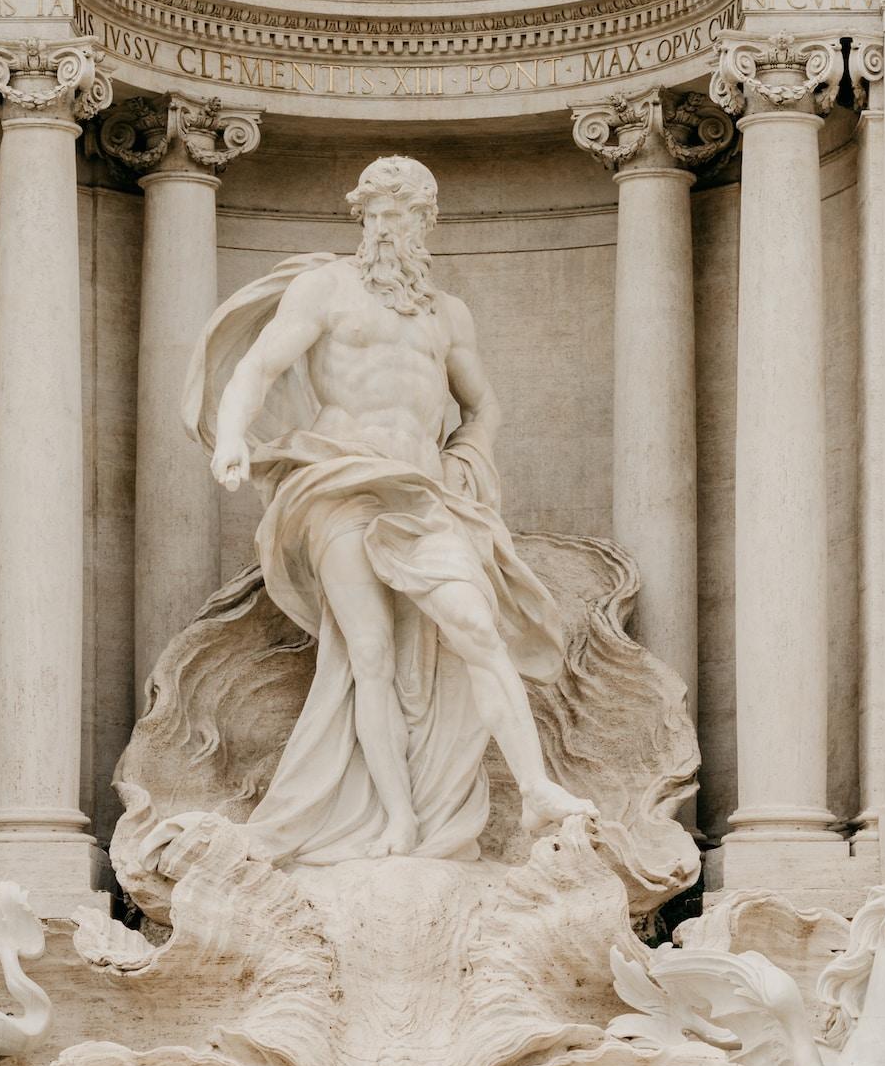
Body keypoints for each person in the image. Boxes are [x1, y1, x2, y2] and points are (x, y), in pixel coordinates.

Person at [184, 155, 598, 865]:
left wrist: (471, 456)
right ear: (361, 218)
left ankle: (536, 792)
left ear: (424, 224)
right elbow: (257, 367)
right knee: (368, 654)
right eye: (374, 213)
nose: (385, 227)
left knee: (476, 625)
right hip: (339, 481)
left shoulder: (447, 315)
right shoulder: (326, 289)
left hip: (423, 492)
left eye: (399, 215)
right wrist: (228, 438)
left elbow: (483, 404)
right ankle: (398, 820)